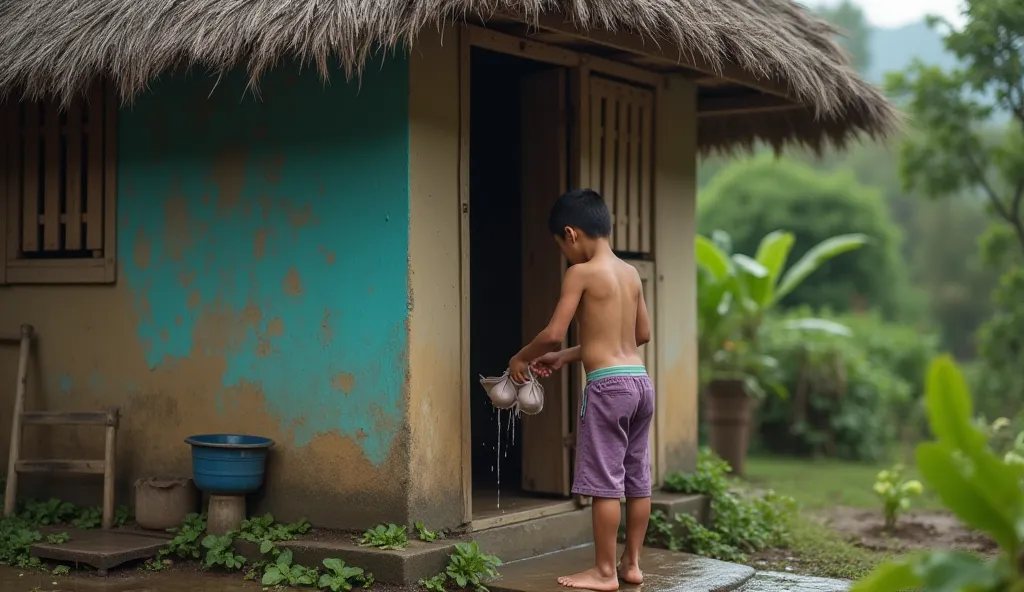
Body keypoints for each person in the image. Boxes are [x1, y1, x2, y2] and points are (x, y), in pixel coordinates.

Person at [508, 188, 654, 591]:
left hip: (607, 389)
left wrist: (520, 358)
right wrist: (570, 357)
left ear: (571, 234)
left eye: (561, 247)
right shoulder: (630, 273)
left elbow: (553, 333)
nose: (565, 256)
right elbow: (641, 333)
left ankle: (605, 573)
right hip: (641, 384)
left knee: (605, 481)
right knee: (636, 478)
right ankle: (631, 565)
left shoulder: (581, 273)